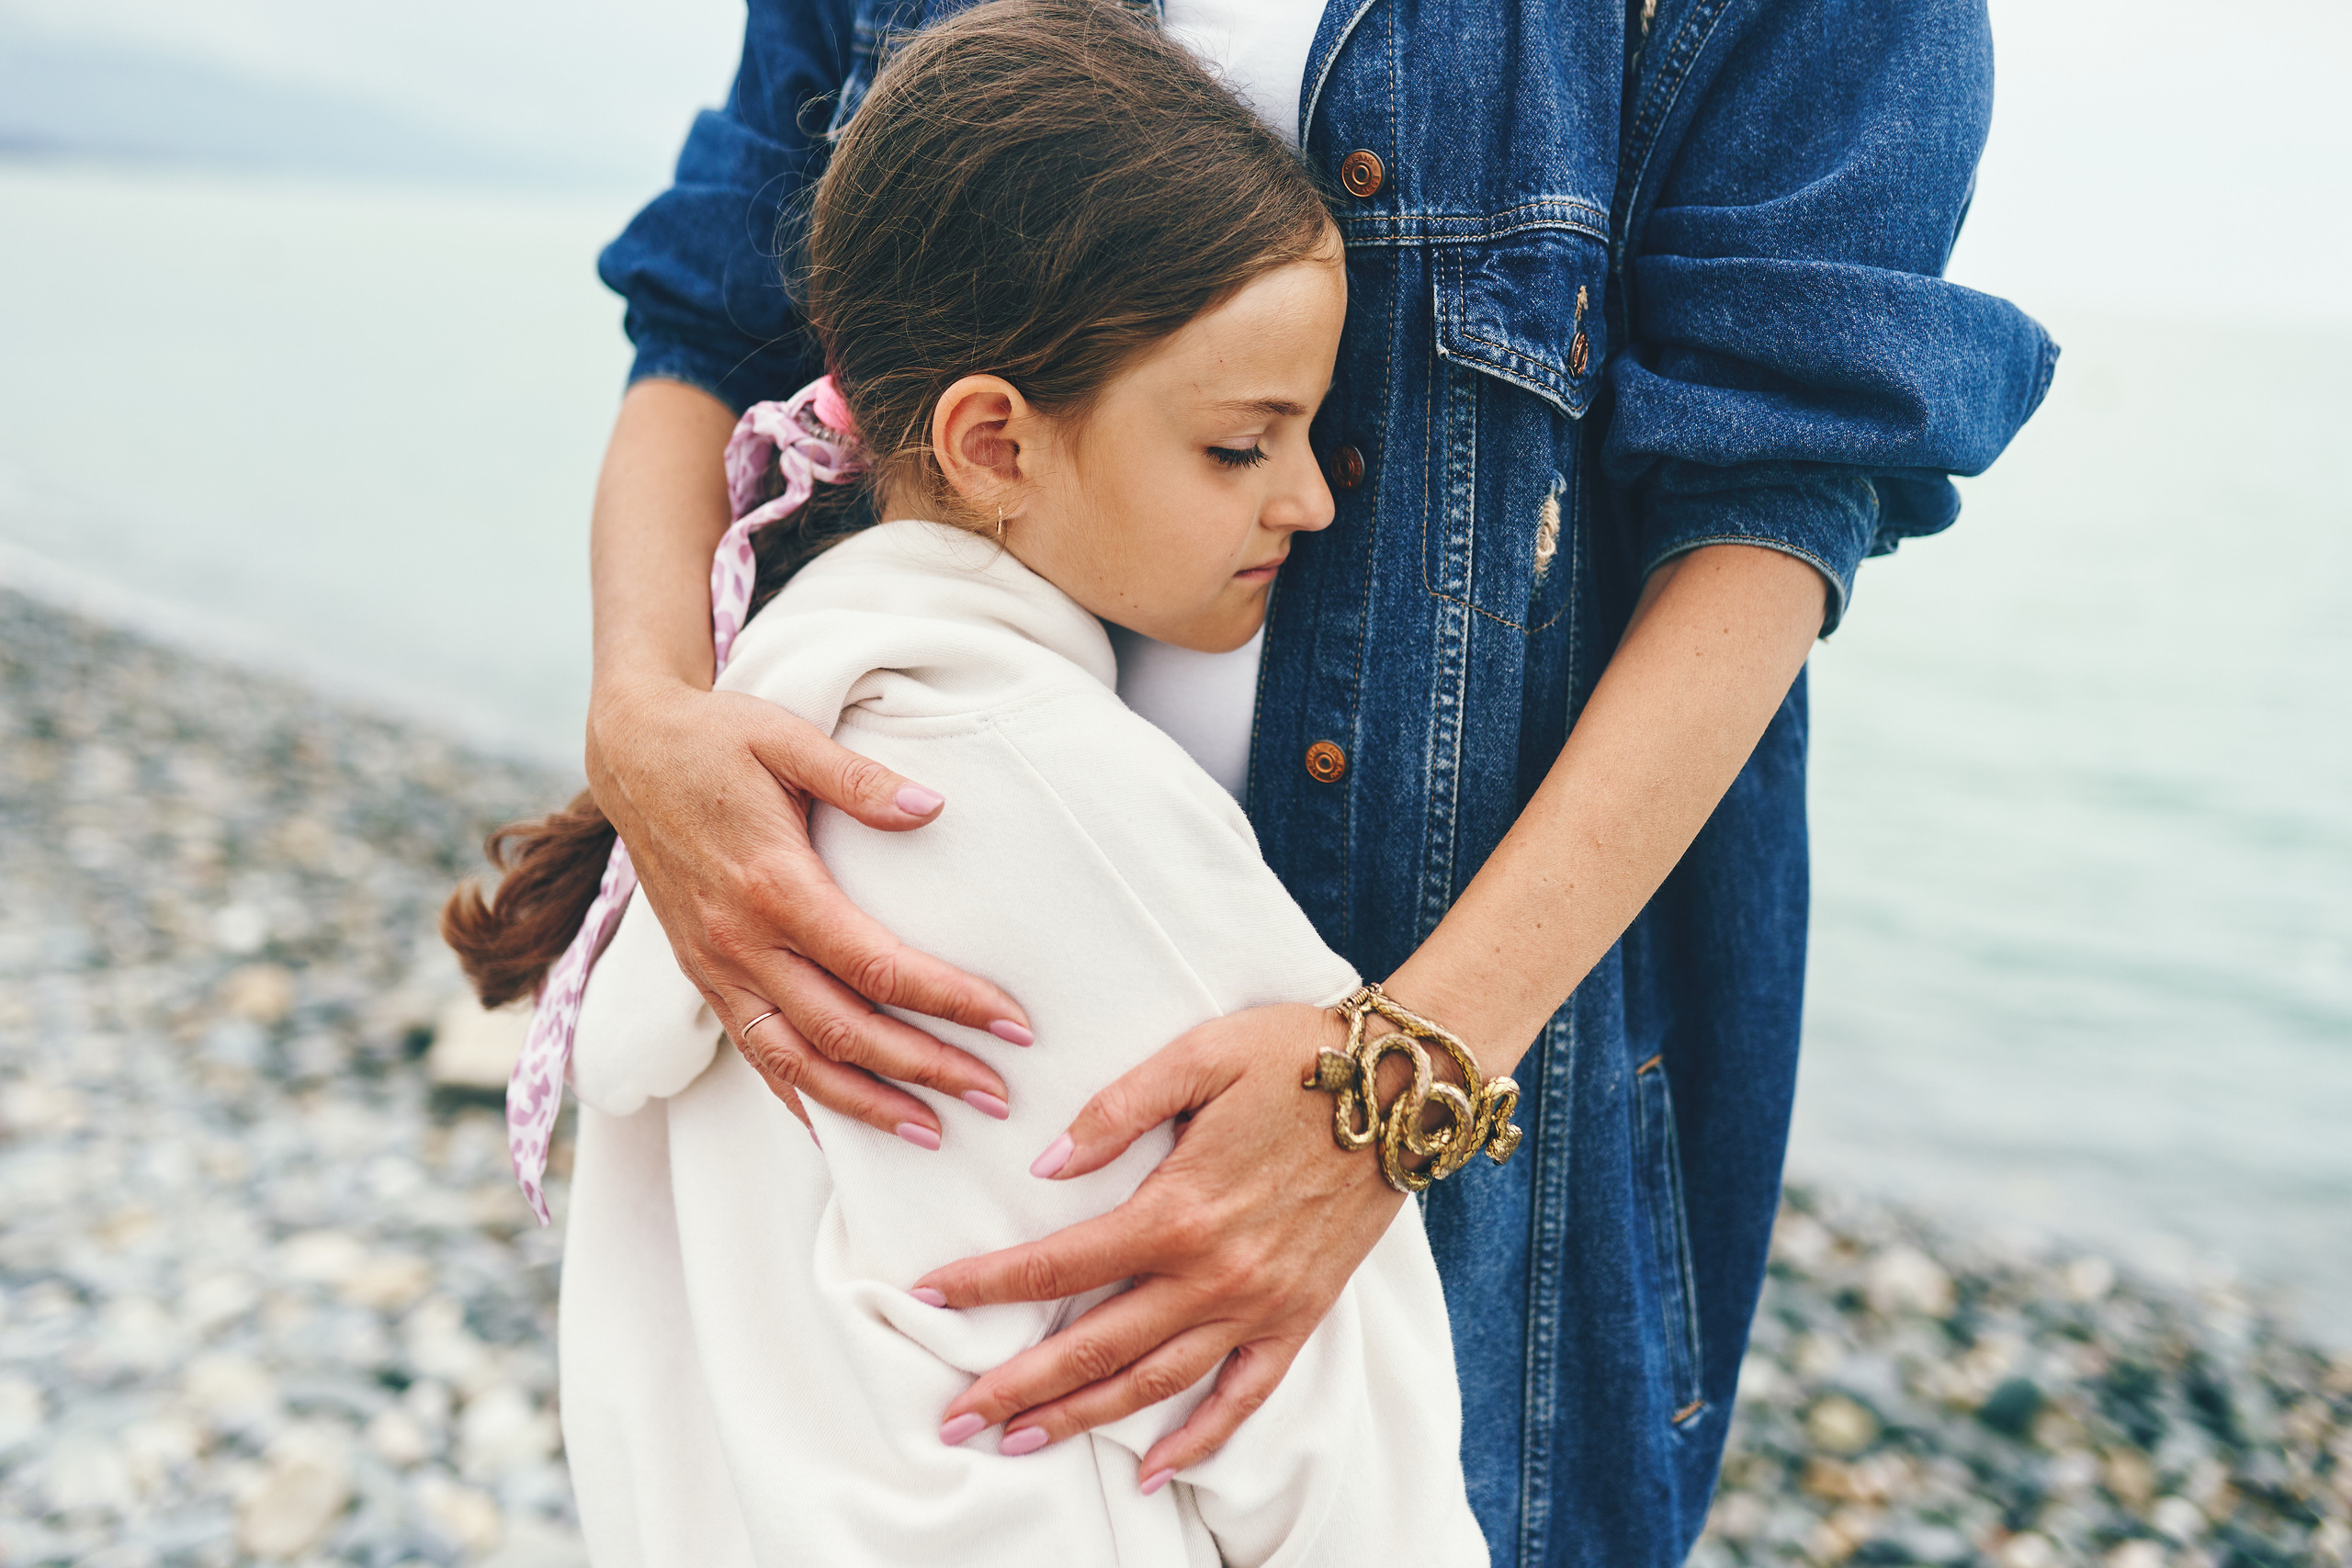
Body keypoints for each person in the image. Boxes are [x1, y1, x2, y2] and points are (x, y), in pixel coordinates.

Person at [582, 0, 2058, 1562]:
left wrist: (1403, 1076)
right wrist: (642, 724)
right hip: (960, 904)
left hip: (1484, 1057)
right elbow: (713, 316)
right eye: (1245, 448)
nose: (1307, 498)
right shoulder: (928, 760)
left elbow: (1781, 487)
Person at [446, 6, 1488, 1562]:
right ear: (994, 442)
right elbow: (1325, 1434)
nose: (1311, 500)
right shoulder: (1056, 803)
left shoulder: (736, 760)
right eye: (1241, 445)